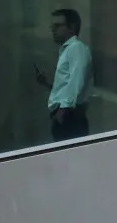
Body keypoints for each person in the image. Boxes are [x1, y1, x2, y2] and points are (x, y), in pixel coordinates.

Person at [34, 8, 93, 142]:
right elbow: (68, 85)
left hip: (70, 117)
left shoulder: (76, 47)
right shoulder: (68, 50)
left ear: (71, 28)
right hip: (66, 116)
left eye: (57, 26)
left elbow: (77, 79)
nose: (53, 29)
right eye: (52, 26)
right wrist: (48, 85)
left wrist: (64, 109)